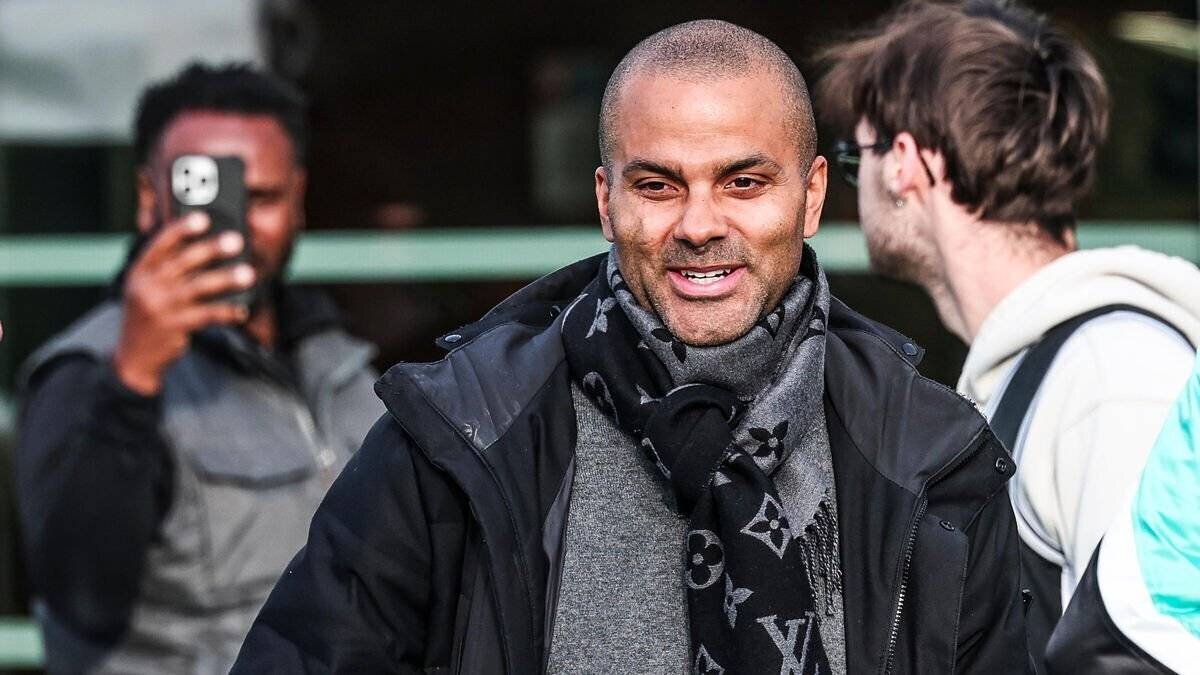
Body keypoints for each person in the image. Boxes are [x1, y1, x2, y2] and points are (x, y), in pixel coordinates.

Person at [234, 20, 1027, 674]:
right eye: (658, 186)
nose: (700, 224)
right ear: (607, 202)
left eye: (744, 182)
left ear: (813, 195)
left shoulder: (931, 454)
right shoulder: (458, 431)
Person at [815, 0, 1200, 668]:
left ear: (905, 161)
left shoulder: (1114, 375)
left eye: (858, 157)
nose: (860, 187)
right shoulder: (1044, 371)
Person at [15, 63, 383, 674]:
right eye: (206, 196)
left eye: (258, 198)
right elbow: (77, 598)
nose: (232, 231)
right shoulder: (86, 372)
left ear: (299, 200)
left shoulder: (341, 365)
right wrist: (132, 379)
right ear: (147, 198)